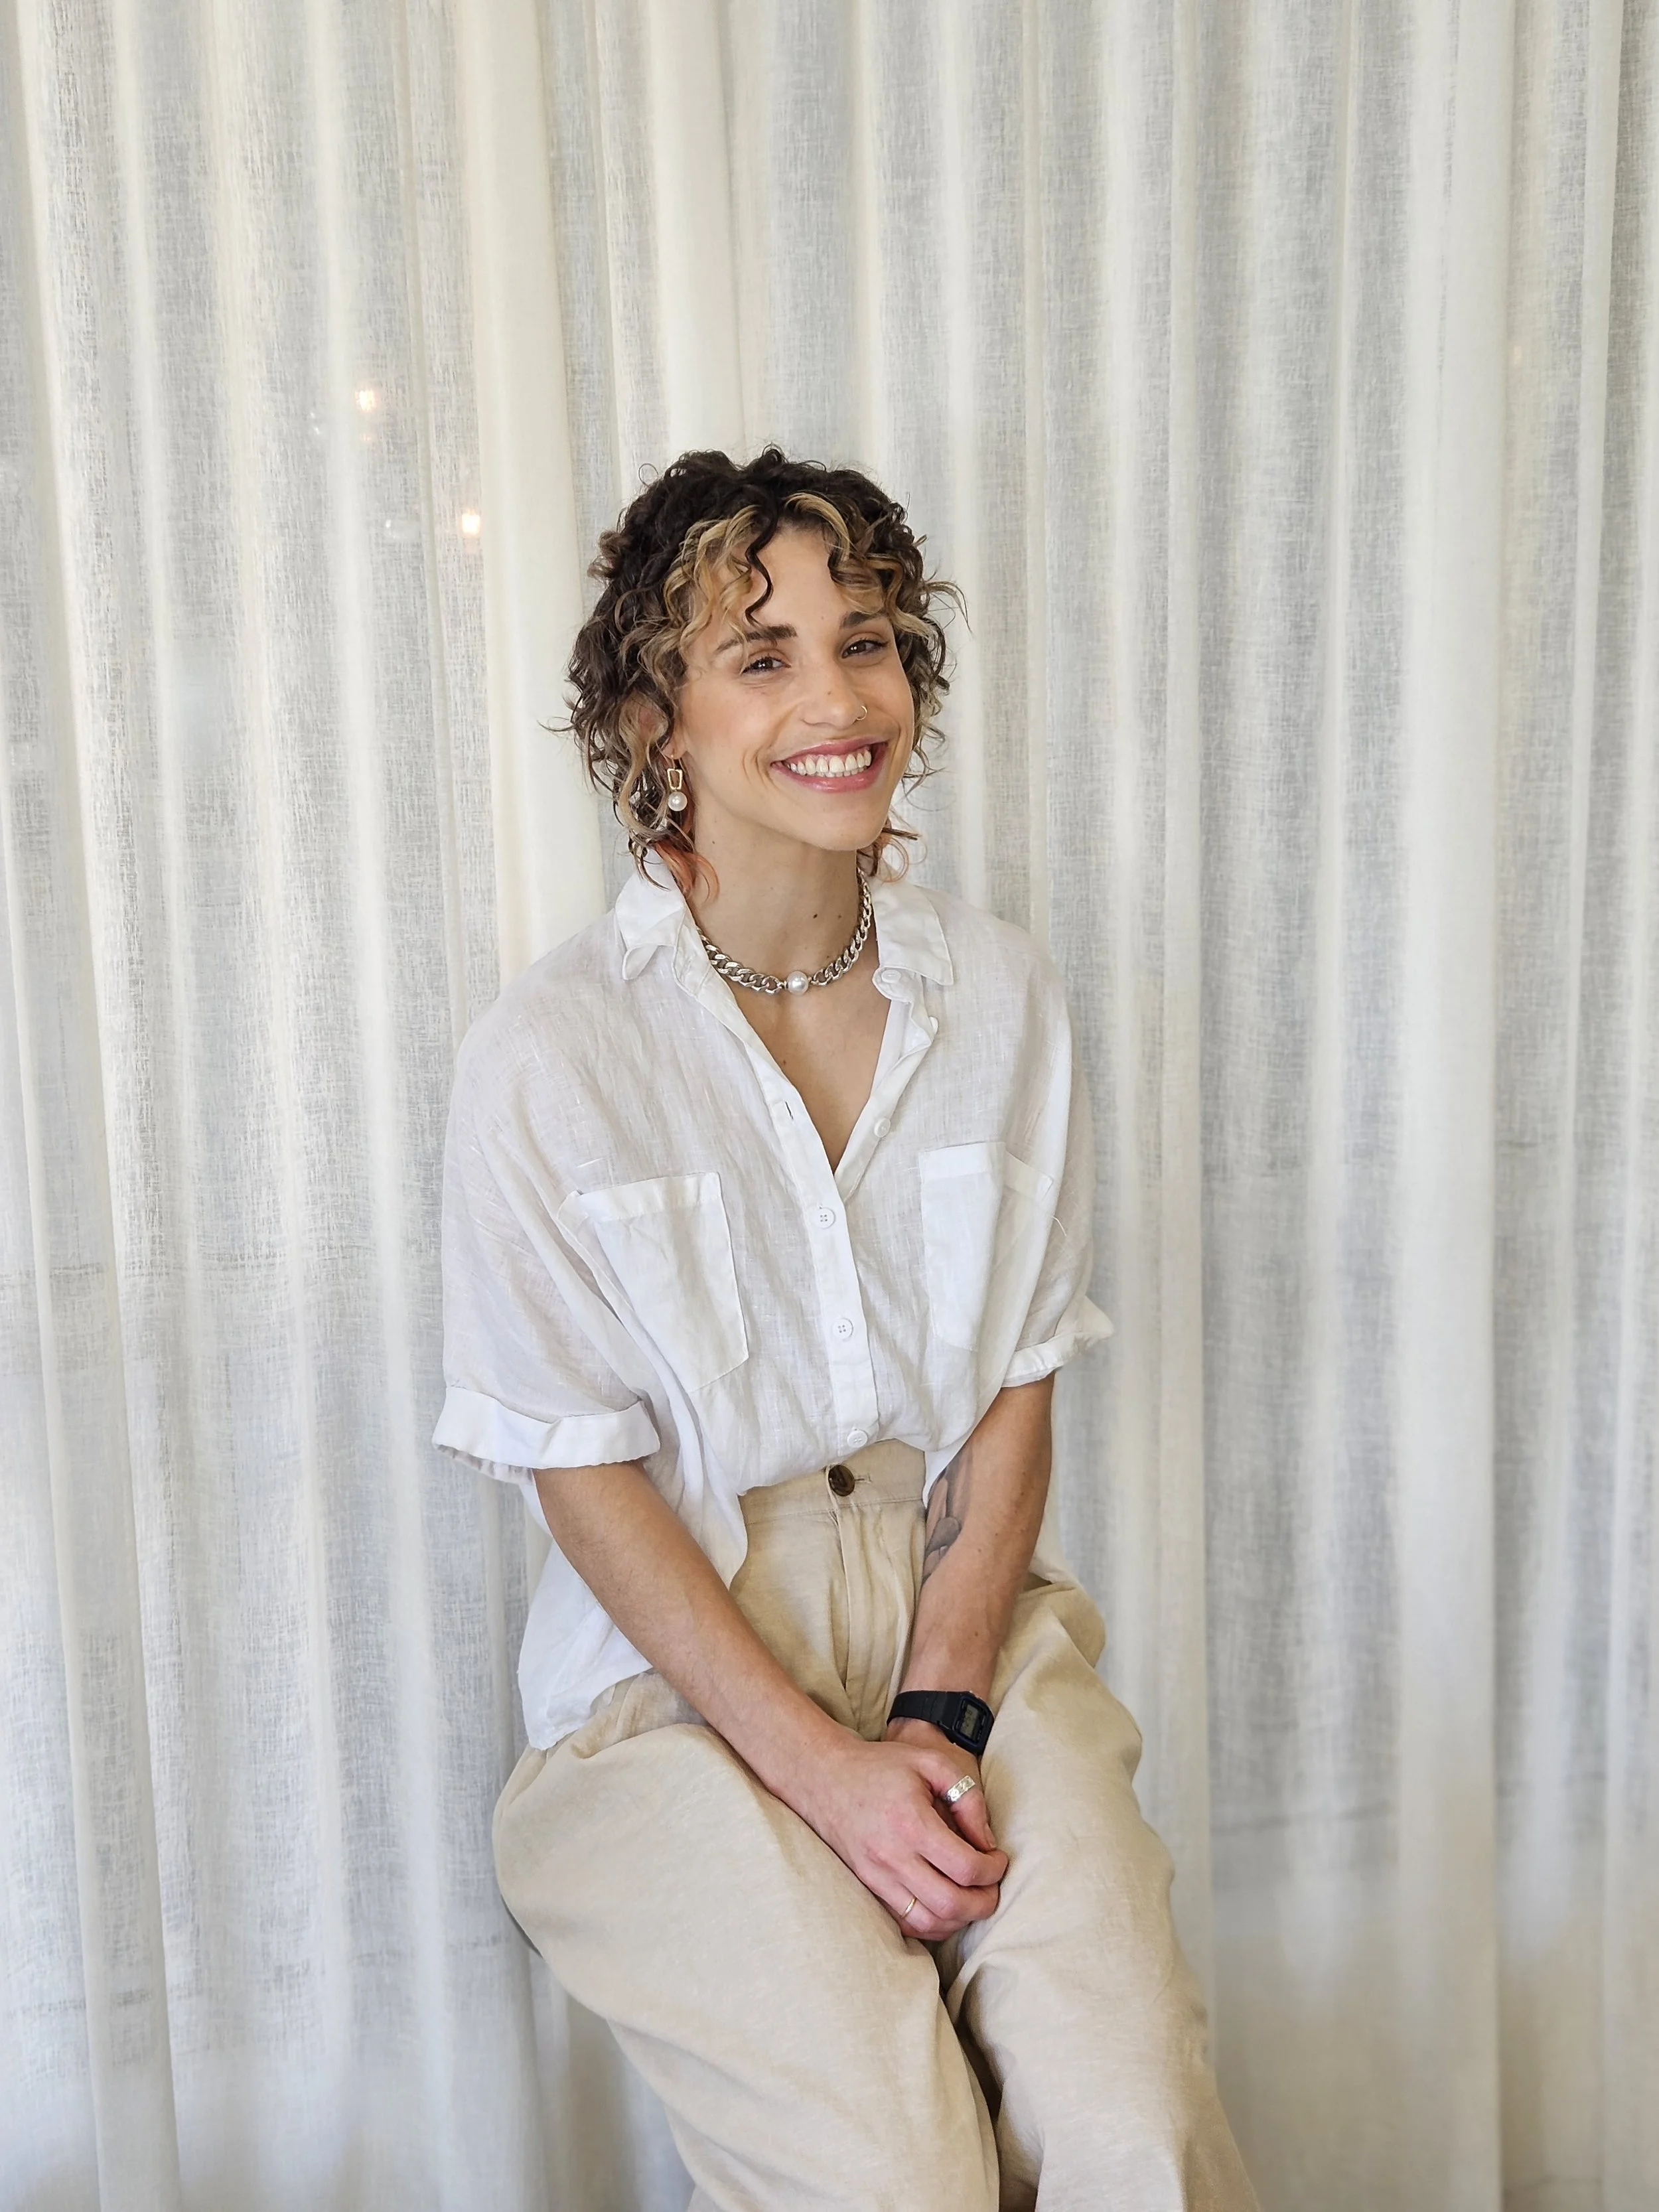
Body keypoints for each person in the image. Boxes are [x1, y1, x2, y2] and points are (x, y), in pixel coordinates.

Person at [433, 447, 1258, 2210]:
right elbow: (585, 1482)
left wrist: (939, 1724)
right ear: (654, 721)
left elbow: (1010, 1394)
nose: (836, 695)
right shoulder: (552, 1053)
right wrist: (822, 1773)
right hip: (668, 1681)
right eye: (763, 652)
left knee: (1130, 2123)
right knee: (893, 2166)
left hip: (957, 1622)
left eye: (866, 639)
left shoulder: (1006, 998)